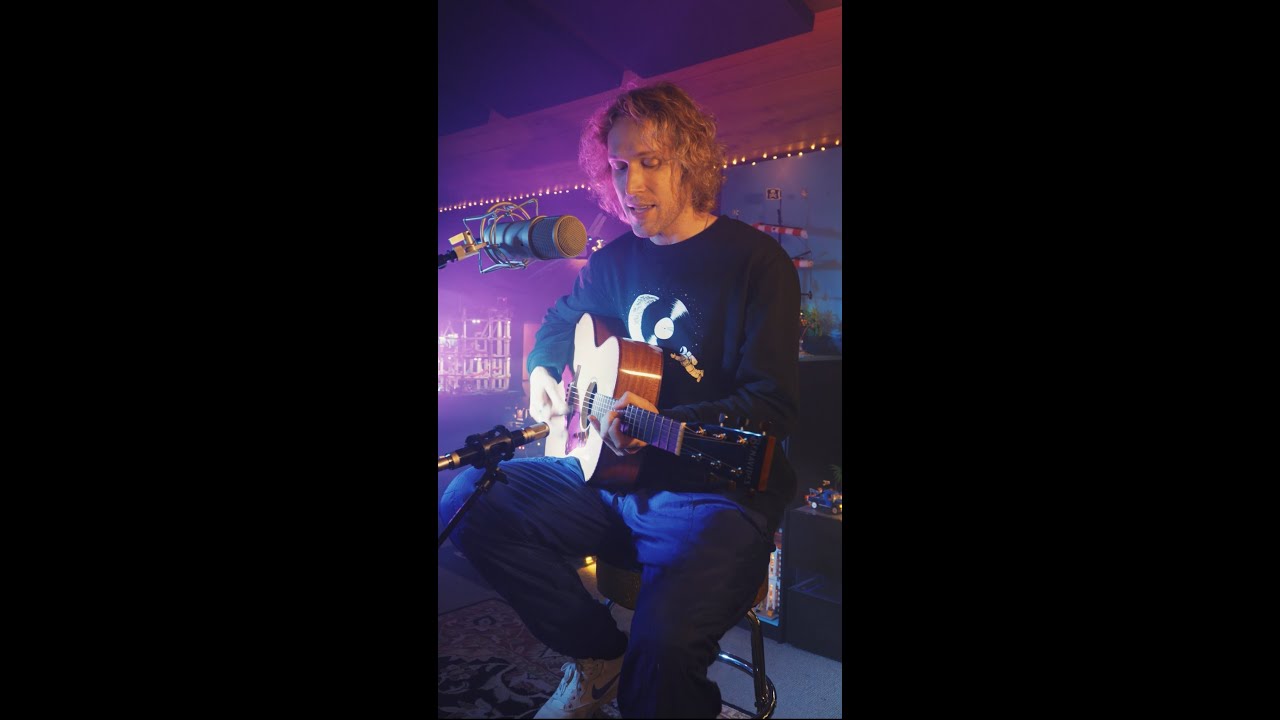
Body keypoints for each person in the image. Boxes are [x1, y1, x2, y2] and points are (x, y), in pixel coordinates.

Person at [440, 81, 801, 719]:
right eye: (618, 165)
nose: (631, 184)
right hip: (609, 477)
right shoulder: (613, 263)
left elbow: (769, 406)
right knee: (469, 499)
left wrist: (661, 423)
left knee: (659, 666)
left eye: (650, 162)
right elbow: (560, 322)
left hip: (709, 493)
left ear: (690, 161)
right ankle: (598, 656)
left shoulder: (756, 263)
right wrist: (543, 371)